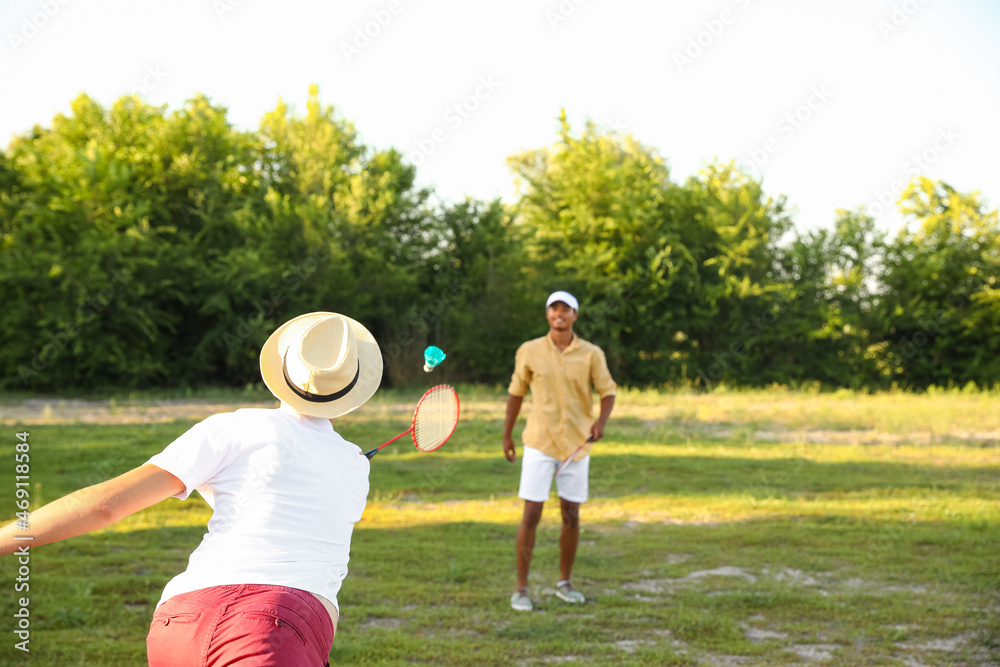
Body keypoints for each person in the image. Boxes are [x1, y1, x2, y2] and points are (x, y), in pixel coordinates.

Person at [0, 311, 382, 666]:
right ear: (349, 395)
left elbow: (105, 505)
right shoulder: (354, 466)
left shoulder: (231, 427)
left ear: (282, 372)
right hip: (278, 627)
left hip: (181, 620)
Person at [502, 290, 616, 611]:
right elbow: (515, 393)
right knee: (532, 514)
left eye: (566, 309)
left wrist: (600, 422)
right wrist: (507, 434)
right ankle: (521, 588)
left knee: (571, 515)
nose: (560, 314)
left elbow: (608, 392)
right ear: (548, 315)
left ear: (575, 316)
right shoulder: (529, 351)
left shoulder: (592, 354)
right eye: (554, 308)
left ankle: (564, 582)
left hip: (577, 445)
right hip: (540, 441)